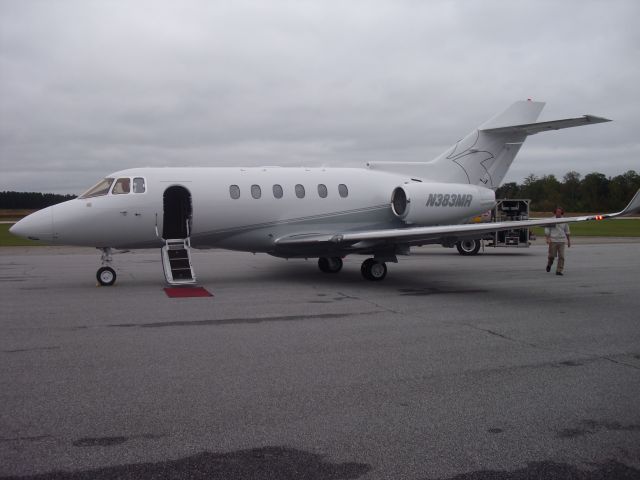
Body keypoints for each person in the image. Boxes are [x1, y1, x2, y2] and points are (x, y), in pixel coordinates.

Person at [545, 207, 571, 276]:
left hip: (562, 241)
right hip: (553, 240)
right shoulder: (551, 220)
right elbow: (547, 230)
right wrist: (547, 238)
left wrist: (568, 241)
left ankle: (559, 270)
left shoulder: (564, 220)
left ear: (562, 213)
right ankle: (549, 264)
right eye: (557, 212)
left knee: (561, 256)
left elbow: (567, 231)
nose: (558, 213)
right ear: (555, 212)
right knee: (551, 256)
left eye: (560, 212)